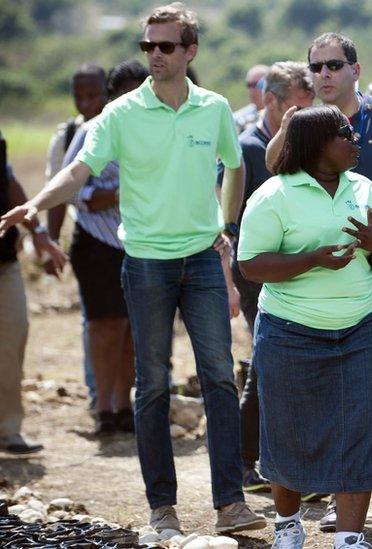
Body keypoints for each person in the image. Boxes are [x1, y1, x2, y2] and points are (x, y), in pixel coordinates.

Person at [0, 2, 264, 534]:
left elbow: (234, 167)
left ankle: (230, 504)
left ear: (190, 51)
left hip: (203, 260)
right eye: (147, 46)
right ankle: (161, 508)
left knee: (218, 377)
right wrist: (38, 205)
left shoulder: (213, 108)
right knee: (152, 385)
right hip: (145, 263)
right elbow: (78, 169)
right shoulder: (120, 114)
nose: (154, 55)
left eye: (165, 46)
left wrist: (226, 228)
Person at [265, 32, 372, 529]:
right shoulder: (305, 122)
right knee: (341, 396)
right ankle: (338, 498)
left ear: (355, 68)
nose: (325, 74)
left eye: (335, 64)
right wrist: (290, 128)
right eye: (317, 67)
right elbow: (274, 172)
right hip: (322, 288)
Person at [238, 105, 372, 549]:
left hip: (362, 330)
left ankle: (349, 537)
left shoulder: (365, 189)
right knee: (289, 432)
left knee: (360, 430)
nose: (356, 141)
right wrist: (312, 258)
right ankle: (288, 525)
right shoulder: (273, 195)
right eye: (345, 135)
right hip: (290, 332)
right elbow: (250, 266)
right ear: (316, 145)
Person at [231, 60, 315, 493]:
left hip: (294, 269)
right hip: (258, 271)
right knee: (266, 361)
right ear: (271, 101)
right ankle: (246, 460)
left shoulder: (299, 146)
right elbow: (233, 219)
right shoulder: (248, 148)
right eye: (297, 110)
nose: (305, 118)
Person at [59, 60, 149, 436]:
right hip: (97, 242)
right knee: (104, 326)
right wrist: (111, 194)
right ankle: (104, 407)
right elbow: (70, 185)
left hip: (142, 242)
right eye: (124, 92)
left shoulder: (155, 131)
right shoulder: (95, 129)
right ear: (113, 96)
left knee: (132, 329)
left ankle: (125, 404)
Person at [0, 127, 68, 455]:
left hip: (4, 264)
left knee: (13, 338)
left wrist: (38, 232)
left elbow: (10, 187)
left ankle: (8, 430)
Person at [45, 62, 108, 409]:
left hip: (127, 239)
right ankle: (98, 393)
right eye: (78, 96)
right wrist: (51, 242)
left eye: (93, 95)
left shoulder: (118, 126)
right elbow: (57, 193)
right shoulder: (67, 135)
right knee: (94, 320)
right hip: (88, 238)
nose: (85, 104)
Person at [234, 64, 269, 132]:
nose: (252, 90)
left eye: (257, 84)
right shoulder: (238, 119)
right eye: (249, 85)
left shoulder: (283, 115)